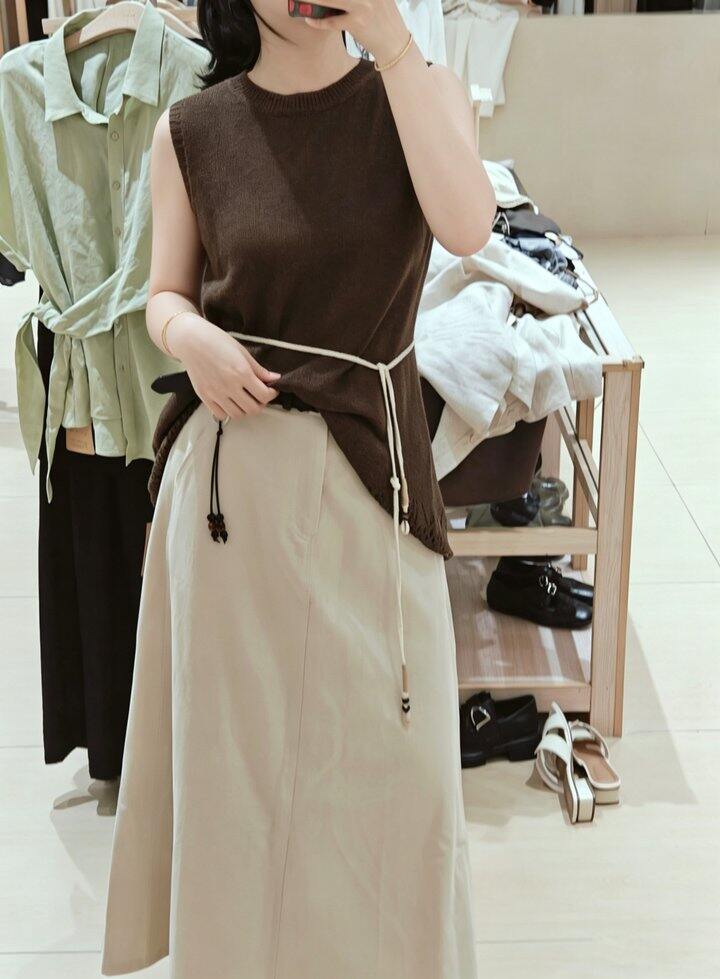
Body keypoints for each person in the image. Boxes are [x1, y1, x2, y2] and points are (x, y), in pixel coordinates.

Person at [102, 0, 496, 975]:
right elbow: (163, 294)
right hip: (230, 499)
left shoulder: (419, 93)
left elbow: (468, 226)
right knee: (237, 801)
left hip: (371, 482)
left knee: (396, 783)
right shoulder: (193, 129)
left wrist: (391, 40)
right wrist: (191, 337)